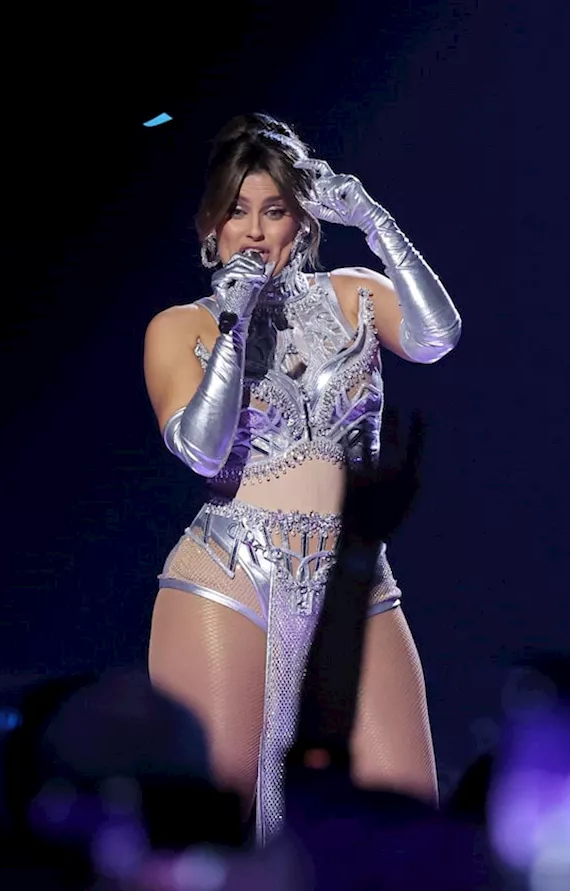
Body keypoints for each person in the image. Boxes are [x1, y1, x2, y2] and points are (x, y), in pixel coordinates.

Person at [142, 112, 462, 842]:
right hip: (232, 569)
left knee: (405, 823)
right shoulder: (180, 327)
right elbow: (198, 447)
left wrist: (373, 217)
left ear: (304, 221)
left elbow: (438, 336)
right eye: (237, 212)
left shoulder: (353, 294)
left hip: (355, 569)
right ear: (211, 229)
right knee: (213, 824)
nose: (254, 232)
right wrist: (236, 322)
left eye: (274, 210)